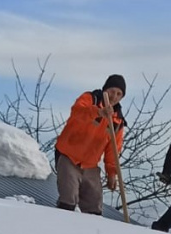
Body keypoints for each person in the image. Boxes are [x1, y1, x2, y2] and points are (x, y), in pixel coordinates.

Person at [52, 74, 127, 214]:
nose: (114, 96)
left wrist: (112, 173)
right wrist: (98, 112)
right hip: (68, 156)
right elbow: (77, 112)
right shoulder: (90, 98)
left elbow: (113, 151)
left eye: (119, 94)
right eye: (112, 91)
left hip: (90, 164)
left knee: (94, 205)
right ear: (105, 90)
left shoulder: (118, 122)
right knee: (68, 198)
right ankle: (59, 229)